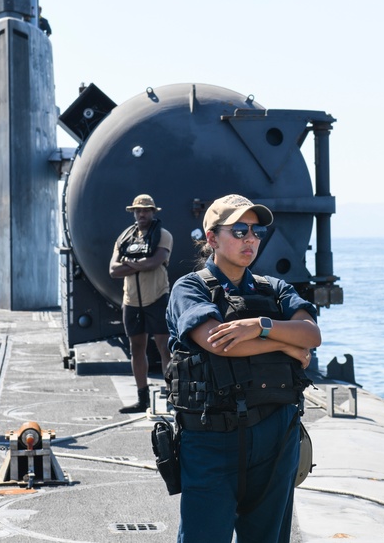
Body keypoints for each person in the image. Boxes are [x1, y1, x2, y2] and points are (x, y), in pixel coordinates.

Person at [166, 194, 321, 543]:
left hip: (275, 436)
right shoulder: (190, 289)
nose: (249, 238)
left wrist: (261, 326)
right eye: (238, 230)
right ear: (212, 238)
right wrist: (284, 342)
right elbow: (217, 342)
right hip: (211, 439)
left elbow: (311, 334)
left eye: (256, 231)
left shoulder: (275, 289)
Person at [109, 194, 174, 413]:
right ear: (133, 213)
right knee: (137, 348)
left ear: (153, 212)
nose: (141, 214)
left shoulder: (163, 236)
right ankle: (142, 398)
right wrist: (140, 264)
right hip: (132, 301)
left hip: (157, 298)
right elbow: (113, 270)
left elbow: (155, 262)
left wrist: (130, 263)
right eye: (138, 210)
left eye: (146, 210)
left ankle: (172, 395)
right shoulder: (125, 237)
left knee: (164, 347)